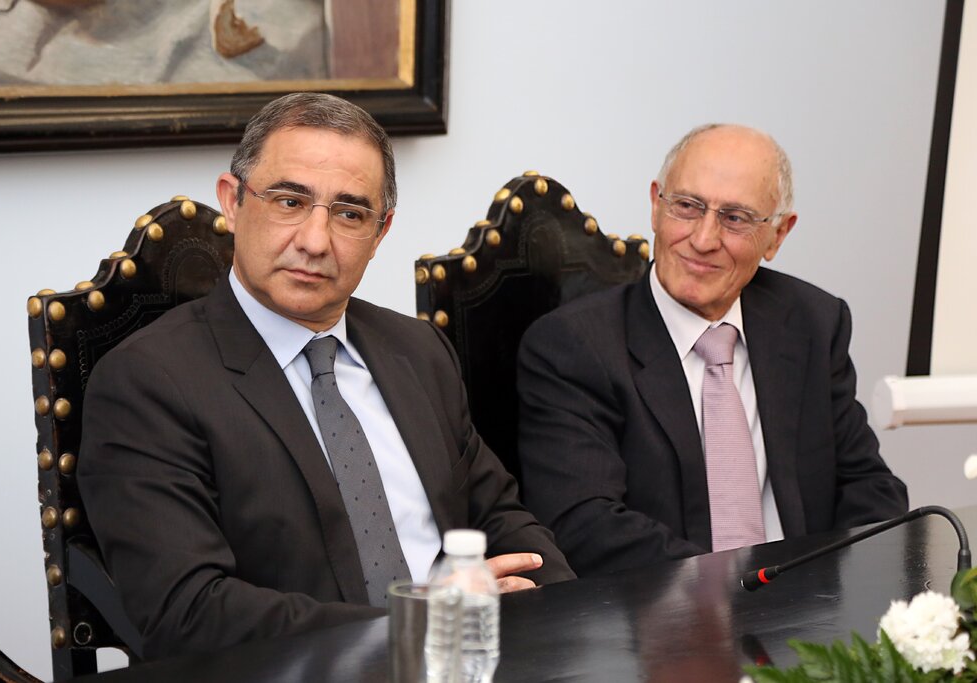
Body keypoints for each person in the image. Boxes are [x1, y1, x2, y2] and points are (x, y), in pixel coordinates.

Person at [78, 92, 574, 660]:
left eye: (349, 214)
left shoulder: (417, 351)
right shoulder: (149, 382)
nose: (315, 242)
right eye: (290, 202)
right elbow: (186, 611)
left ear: (380, 232)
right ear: (233, 203)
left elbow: (499, 518)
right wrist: (418, 623)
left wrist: (562, 614)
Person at [516, 123, 908, 577]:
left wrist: (831, 593)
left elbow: (870, 487)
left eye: (735, 218)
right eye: (687, 206)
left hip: (809, 602)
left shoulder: (812, 322)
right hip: (666, 610)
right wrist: (735, 593)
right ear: (655, 205)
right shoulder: (574, 346)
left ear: (778, 235)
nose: (703, 240)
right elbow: (585, 524)